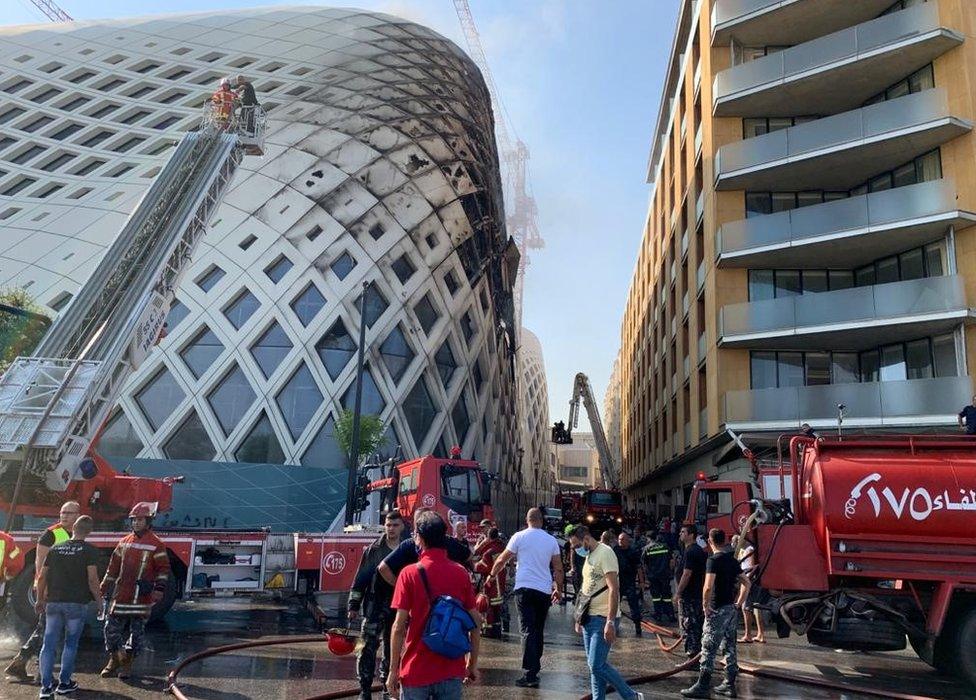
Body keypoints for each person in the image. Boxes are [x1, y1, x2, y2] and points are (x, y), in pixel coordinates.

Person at [387, 511, 480, 699]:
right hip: (451, 668)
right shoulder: (460, 573)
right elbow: (475, 622)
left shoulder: (409, 573)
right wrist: (471, 664)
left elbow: (398, 628)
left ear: (420, 539)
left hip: (416, 669)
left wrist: (392, 671)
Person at [485, 508, 563, 688]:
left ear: (527, 520)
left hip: (524, 589)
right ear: (541, 521)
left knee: (527, 630)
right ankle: (535, 668)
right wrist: (557, 588)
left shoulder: (518, 537)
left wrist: (491, 576)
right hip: (543, 591)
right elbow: (558, 567)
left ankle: (530, 674)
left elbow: (501, 560)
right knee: (538, 629)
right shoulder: (551, 540)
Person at [5, 501, 80, 681]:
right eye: (62, 512)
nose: (64, 516)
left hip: (64, 590)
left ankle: (19, 663)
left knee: (44, 629)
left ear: (78, 515)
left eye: (69, 513)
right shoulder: (51, 534)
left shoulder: (76, 534)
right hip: (52, 590)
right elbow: (40, 563)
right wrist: (41, 588)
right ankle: (41, 673)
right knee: (51, 632)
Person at [567, 526, 645, 700]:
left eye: (577, 545)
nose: (575, 549)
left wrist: (610, 621)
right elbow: (586, 589)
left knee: (596, 665)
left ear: (586, 538)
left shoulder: (606, 553)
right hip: (588, 618)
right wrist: (579, 617)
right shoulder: (589, 556)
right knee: (594, 666)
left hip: (602, 618)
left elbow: (613, 589)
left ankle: (631, 696)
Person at [99, 502, 171, 680]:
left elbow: (163, 569)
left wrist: (159, 589)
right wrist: (104, 584)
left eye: (140, 520)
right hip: (121, 595)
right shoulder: (123, 542)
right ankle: (115, 658)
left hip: (141, 598)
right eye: (134, 520)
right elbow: (113, 567)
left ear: (148, 521)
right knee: (110, 630)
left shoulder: (157, 544)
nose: (136, 523)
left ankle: (127, 663)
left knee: (136, 634)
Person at [35, 515, 101, 698]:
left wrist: (40, 599)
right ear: (89, 532)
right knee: (70, 644)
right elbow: (92, 579)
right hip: (76, 604)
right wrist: (99, 601)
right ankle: (64, 683)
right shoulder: (90, 551)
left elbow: (42, 577)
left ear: (73, 529)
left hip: (54, 603)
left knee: (48, 645)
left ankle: (46, 688)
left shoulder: (55, 549)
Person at [682, 529, 750, 699]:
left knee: (708, 647)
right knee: (730, 647)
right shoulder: (731, 560)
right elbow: (747, 582)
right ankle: (729, 685)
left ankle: (703, 686)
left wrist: (705, 605)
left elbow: (708, 586)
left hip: (716, 609)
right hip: (731, 609)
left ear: (710, 541)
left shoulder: (713, 560)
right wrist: (738, 603)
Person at [348, 510, 407, 700]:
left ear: (402, 527)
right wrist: (353, 605)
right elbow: (360, 579)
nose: (391, 529)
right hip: (375, 605)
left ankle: (386, 687)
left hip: (398, 607)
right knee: (366, 649)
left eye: (395, 525)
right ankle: (364, 689)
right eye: (388, 525)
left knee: (393, 649)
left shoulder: (408, 550)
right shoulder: (373, 550)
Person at [377, 510, 471, 587]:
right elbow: (469, 555)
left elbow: (383, 568)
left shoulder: (409, 571)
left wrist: (401, 586)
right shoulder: (460, 571)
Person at [674, 524, 707, 657]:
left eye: (683, 532)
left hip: (691, 596)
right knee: (695, 624)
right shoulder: (693, 550)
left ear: (691, 535)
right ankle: (696, 653)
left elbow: (687, 574)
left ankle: (692, 655)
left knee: (690, 624)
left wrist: (678, 593)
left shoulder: (691, 551)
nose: (680, 534)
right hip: (695, 594)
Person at [472, 527, 506, 639]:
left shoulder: (488, 552)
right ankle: (497, 629)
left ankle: (488, 630)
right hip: (500, 584)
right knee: (497, 608)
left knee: (487, 607)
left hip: (490, 585)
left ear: (488, 537)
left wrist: (475, 564)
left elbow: (480, 567)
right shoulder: (502, 547)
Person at [731, 536, 765, 644]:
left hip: (749, 581)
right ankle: (760, 634)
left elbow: (752, 566)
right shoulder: (743, 550)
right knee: (755, 608)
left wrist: (746, 580)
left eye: (734, 542)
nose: (733, 544)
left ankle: (748, 635)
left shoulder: (749, 550)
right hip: (749, 580)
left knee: (746, 608)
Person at [613, 531, 644, 637]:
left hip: (629, 581)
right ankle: (612, 625)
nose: (620, 541)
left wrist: (641, 582)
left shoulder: (633, 552)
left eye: (622, 539)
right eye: (619, 539)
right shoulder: (615, 550)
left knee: (634, 605)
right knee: (614, 604)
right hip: (617, 582)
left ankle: (638, 626)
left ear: (627, 541)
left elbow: (639, 568)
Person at [642, 530, 674, 623]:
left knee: (656, 596)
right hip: (665, 575)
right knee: (667, 595)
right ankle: (670, 614)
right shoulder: (665, 546)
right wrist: (670, 572)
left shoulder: (646, 549)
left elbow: (644, 565)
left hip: (653, 576)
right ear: (656, 537)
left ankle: (658, 615)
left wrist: (646, 578)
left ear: (648, 538)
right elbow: (672, 561)